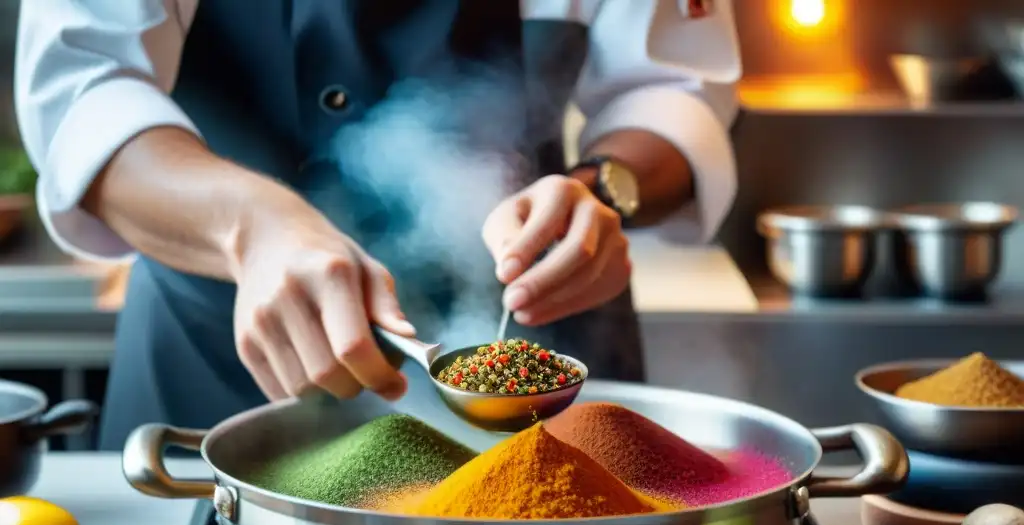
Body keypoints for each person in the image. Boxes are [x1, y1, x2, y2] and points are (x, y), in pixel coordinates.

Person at [15, 0, 741, 450]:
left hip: (541, 376)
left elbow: (672, 90)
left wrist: (602, 192)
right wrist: (250, 227)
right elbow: (84, 97)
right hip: (215, 382)